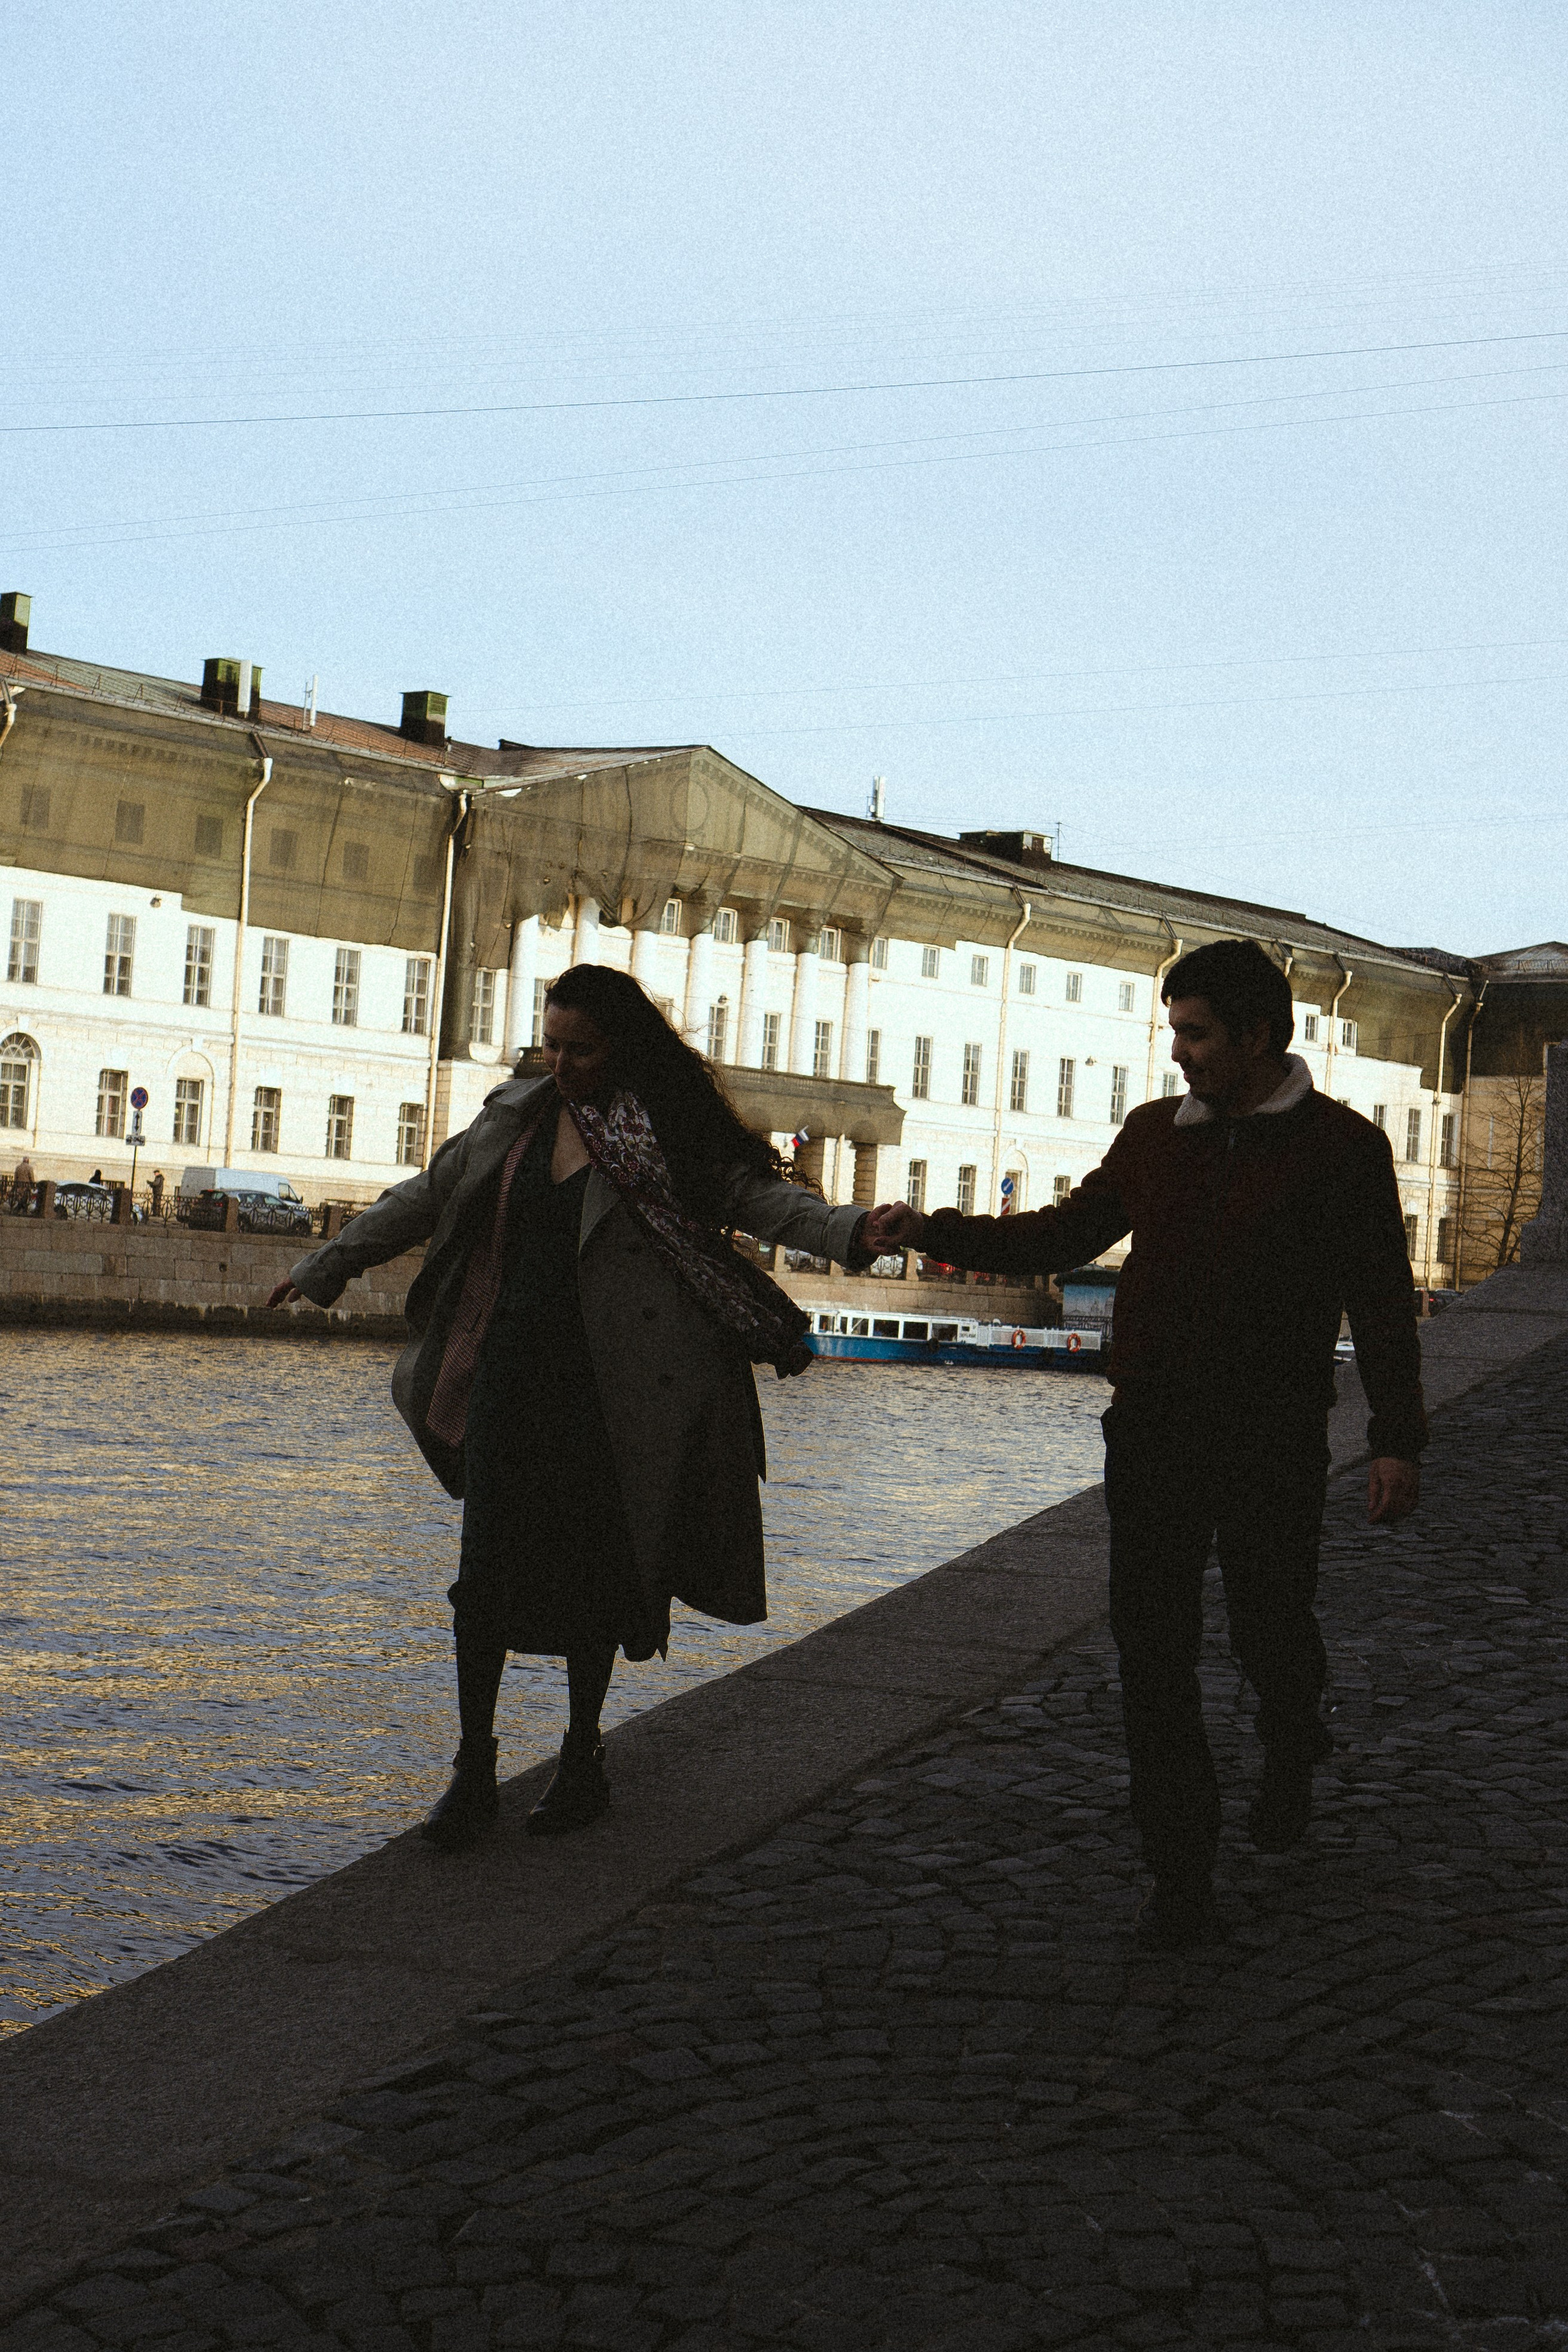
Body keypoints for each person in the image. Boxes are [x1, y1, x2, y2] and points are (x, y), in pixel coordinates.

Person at [864, 937, 1425, 1951]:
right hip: (1156, 1429)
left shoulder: (1343, 1150)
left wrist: (1396, 1440)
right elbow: (1060, 1235)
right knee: (1151, 1650)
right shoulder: (1154, 1135)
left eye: (1197, 1033)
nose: (1181, 1055)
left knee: (1269, 1626)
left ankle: (1290, 1734)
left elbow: (1382, 1303)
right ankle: (1182, 1871)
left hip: (1272, 1436)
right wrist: (928, 1229)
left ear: (1257, 1034)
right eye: (1175, 1032)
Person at [266, 963, 870, 1852]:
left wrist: (852, 1230)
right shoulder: (516, 1115)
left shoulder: (662, 1128)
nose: (561, 1062)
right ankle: (474, 1770)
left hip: (608, 1388)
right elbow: (424, 1199)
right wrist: (328, 1263)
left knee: (596, 1574)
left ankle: (581, 1756)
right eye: (551, 1043)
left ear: (619, 1047)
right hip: (508, 1374)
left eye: (579, 1048)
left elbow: (759, 1199)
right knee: (485, 1580)